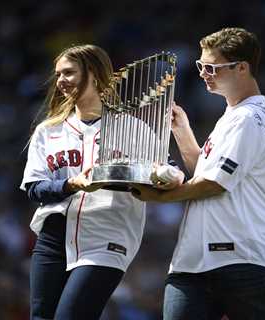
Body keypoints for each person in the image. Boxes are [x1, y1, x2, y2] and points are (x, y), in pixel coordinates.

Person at [131, 28, 265, 319]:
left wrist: (159, 197)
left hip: (247, 261)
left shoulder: (248, 117)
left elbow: (214, 184)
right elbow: (206, 172)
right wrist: (182, 132)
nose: (204, 73)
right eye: (200, 66)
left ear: (241, 68)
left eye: (212, 67)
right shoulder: (234, 116)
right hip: (197, 262)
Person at [20, 44, 182, 320]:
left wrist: (165, 176)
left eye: (68, 73)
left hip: (107, 235)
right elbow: (35, 189)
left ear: (93, 74)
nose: (60, 81)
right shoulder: (48, 131)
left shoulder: (131, 127)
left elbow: (170, 173)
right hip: (53, 237)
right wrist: (73, 184)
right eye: (58, 74)